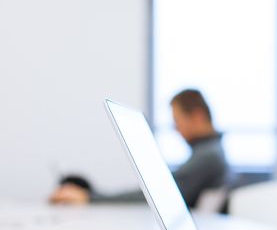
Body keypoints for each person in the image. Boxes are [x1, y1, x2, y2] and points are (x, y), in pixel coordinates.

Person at [49, 89, 230, 208]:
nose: (176, 129)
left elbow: (159, 196)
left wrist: (90, 198)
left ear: (197, 116)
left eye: (177, 121)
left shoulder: (209, 156)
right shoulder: (211, 152)